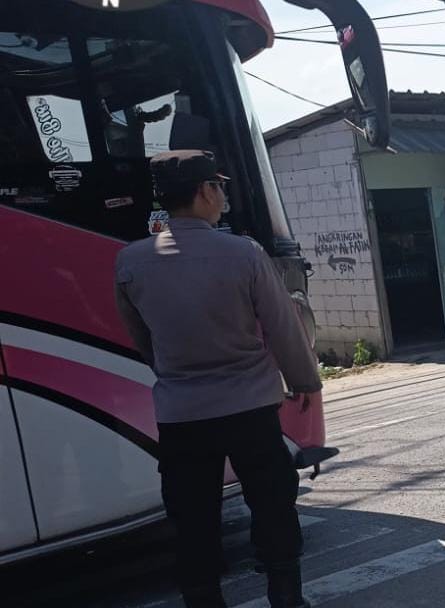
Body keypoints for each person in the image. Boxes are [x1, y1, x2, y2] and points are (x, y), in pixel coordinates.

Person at [114, 151, 320, 608]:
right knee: (272, 504)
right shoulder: (243, 253)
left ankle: (204, 599)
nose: (223, 196)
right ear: (206, 191)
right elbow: (282, 326)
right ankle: (286, 597)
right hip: (251, 409)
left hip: (182, 415)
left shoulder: (130, 261)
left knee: (192, 517)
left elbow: (144, 340)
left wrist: (175, 375)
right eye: (220, 187)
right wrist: (305, 381)